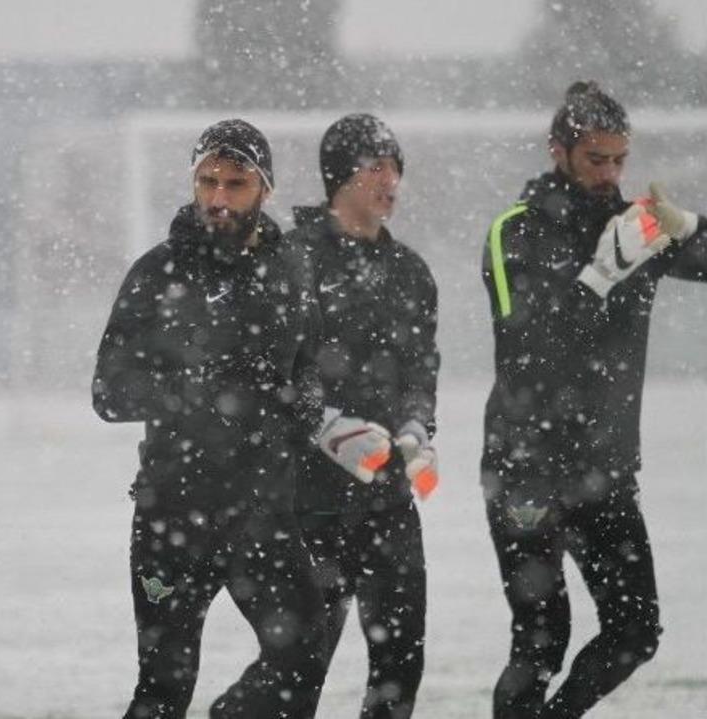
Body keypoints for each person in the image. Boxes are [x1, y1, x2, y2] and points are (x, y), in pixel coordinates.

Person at [480, 80, 707, 718]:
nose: (609, 174)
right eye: (595, 159)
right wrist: (601, 275)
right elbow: (527, 351)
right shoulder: (515, 232)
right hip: (526, 468)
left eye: (619, 159)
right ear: (558, 150)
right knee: (540, 641)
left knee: (636, 631)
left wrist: (688, 225)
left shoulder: (636, 226)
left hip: (604, 468)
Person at [92, 119, 330, 719]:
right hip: (174, 514)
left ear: (265, 189)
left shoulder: (291, 270)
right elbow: (109, 392)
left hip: (262, 512)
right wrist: (197, 391)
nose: (219, 197)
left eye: (236, 183)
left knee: (304, 650)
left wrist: (306, 399)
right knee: (164, 687)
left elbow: (309, 366)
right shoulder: (157, 273)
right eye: (208, 182)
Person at [288, 114, 439, 719]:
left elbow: (420, 371)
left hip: (387, 499)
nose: (390, 180)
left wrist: (417, 428)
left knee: (400, 666)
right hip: (307, 503)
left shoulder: (411, 272)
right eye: (375, 167)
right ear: (339, 178)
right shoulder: (291, 260)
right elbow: (266, 370)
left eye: (395, 167)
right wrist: (322, 425)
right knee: (296, 670)